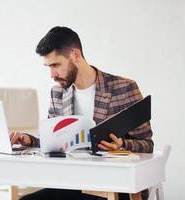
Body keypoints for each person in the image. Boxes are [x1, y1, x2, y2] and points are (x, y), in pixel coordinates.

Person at [10, 26, 153, 200]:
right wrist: (29, 140)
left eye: (55, 65)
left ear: (75, 55)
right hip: (73, 184)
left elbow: (147, 144)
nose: (51, 74)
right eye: (48, 67)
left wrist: (121, 145)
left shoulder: (124, 88)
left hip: (115, 186)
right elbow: (53, 141)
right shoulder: (58, 93)